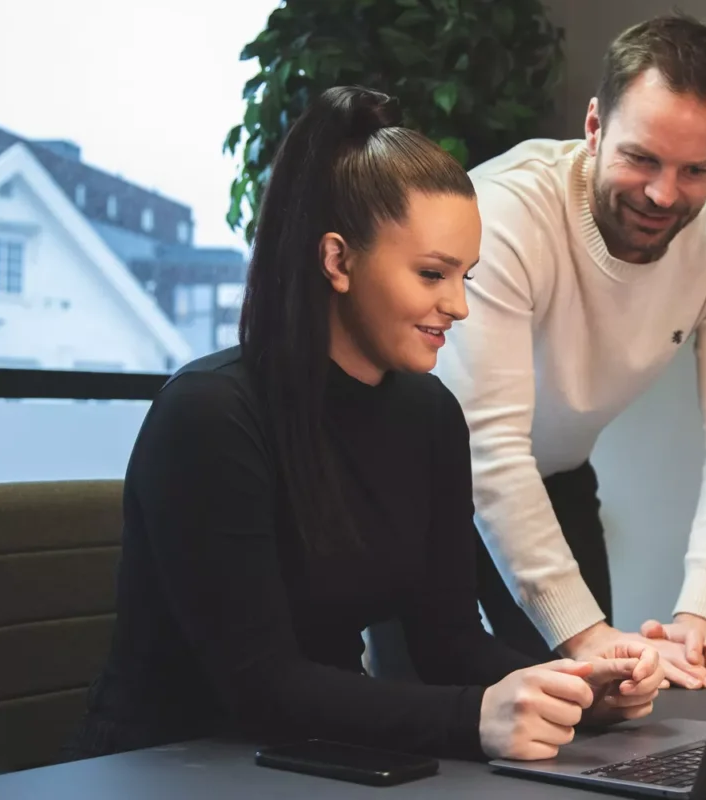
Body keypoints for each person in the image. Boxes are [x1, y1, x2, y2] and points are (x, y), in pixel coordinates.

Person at [59, 86, 663, 765]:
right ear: (338, 260)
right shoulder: (209, 417)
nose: (458, 306)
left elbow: (448, 642)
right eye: (433, 273)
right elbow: (259, 686)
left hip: (318, 755)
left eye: (466, 275)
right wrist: (474, 718)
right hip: (172, 763)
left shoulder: (431, 417)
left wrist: (578, 692)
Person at [432, 12, 706, 691]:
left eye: (694, 170)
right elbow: (489, 445)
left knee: (596, 714)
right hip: (428, 480)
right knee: (441, 723)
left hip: (558, 476)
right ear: (594, 126)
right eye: (641, 157)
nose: (662, 193)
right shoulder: (502, 214)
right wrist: (585, 634)